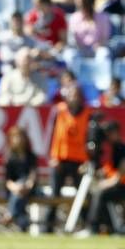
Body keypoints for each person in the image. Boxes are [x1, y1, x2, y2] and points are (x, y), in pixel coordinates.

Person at [45, 85, 90, 233]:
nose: (74, 98)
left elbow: (89, 140)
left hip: (79, 161)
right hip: (61, 159)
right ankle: (48, 226)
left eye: (77, 95)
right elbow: (52, 135)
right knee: (54, 193)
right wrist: (53, 157)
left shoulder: (88, 114)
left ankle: (87, 225)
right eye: (71, 95)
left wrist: (86, 162)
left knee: (83, 194)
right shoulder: (60, 111)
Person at [80, 121, 125, 236]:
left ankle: (92, 227)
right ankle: (108, 227)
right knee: (93, 191)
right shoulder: (113, 149)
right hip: (117, 185)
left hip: (121, 186)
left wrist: (105, 184)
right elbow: (109, 169)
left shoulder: (122, 149)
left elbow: (119, 176)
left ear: (115, 133)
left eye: (108, 133)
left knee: (100, 193)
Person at [4, 126, 38, 232]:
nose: (18, 140)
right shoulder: (9, 158)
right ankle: (23, 223)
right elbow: (8, 180)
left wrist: (27, 186)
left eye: (21, 137)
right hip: (14, 190)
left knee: (22, 185)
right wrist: (16, 188)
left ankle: (10, 213)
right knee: (19, 192)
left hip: (30, 189)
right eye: (16, 137)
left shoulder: (31, 156)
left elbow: (33, 176)